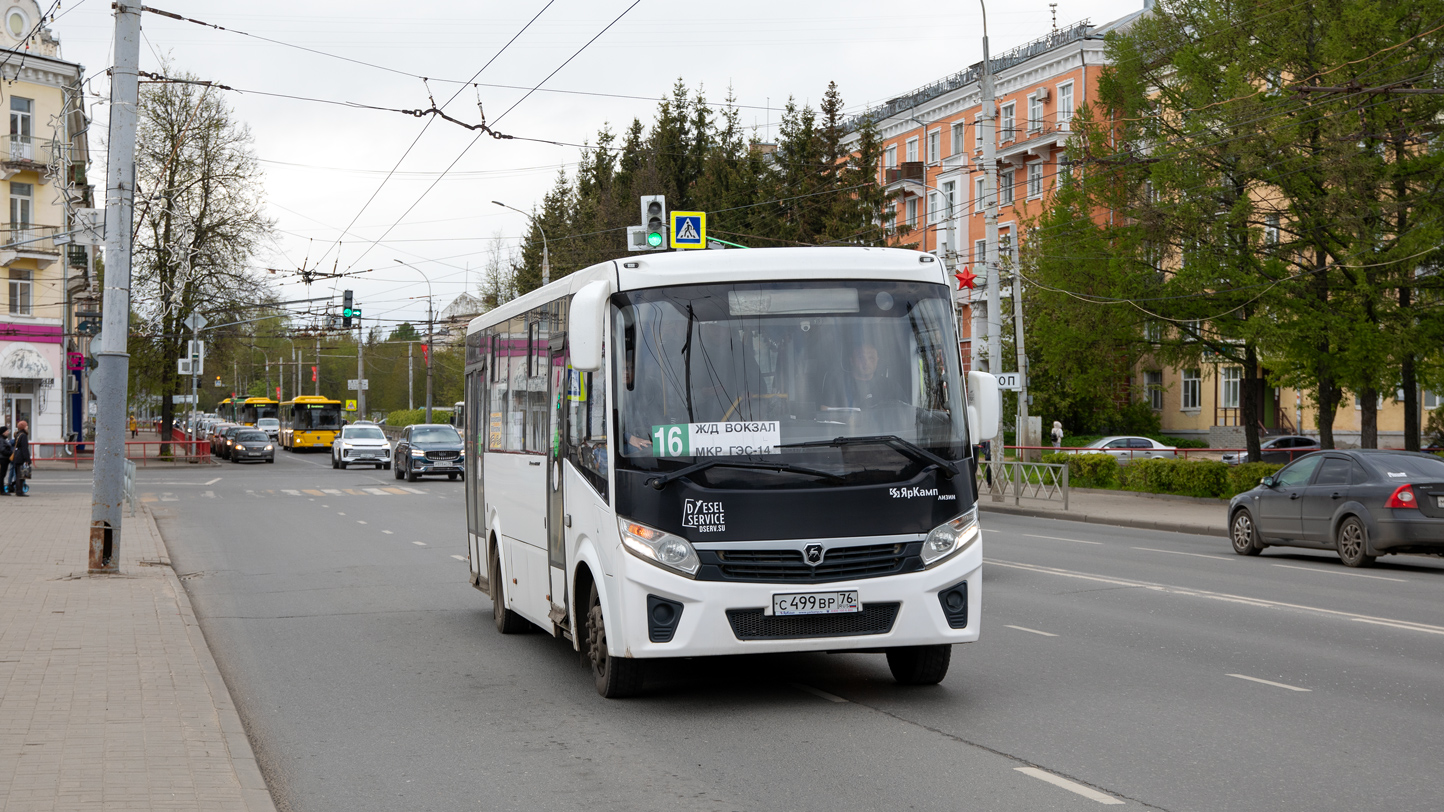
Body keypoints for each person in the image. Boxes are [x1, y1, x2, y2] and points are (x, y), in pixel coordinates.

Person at [820, 342, 904, 410]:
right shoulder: (837, 384)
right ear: (852, 360)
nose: (866, 362)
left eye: (871, 358)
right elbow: (824, 411)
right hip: (846, 430)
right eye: (860, 357)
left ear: (877, 360)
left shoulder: (890, 386)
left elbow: (904, 413)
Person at [10, 419, 30, 497]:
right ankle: (19, 491)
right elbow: (24, 448)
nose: (27, 427)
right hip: (21, 457)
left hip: (16, 456)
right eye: (26, 425)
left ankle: (18, 490)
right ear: (24, 427)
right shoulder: (24, 436)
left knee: (18, 474)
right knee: (21, 475)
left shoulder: (17, 434)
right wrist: (27, 459)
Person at [0, 425, 11, 495]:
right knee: (2, 475)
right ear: (3, 432)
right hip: (2, 459)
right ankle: (2, 491)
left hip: (4, 458)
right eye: (7, 431)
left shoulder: (3, 439)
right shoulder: (1, 439)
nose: (8, 432)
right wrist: (10, 453)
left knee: (2, 475)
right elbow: (2, 449)